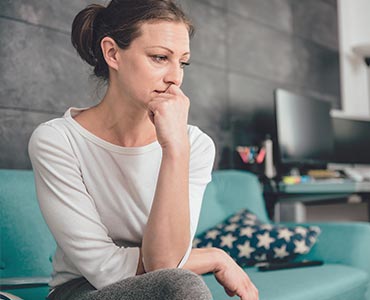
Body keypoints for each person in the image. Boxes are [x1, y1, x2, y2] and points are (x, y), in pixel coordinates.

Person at [28, 0, 259, 299]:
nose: (175, 77)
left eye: (183, 62)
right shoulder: (57, 141)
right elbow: (104, 267)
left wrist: (175, 148)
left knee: (178, 283)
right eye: (160, 57)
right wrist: (213, 256)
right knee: (182, 284)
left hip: (163, 285)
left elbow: (165, 263)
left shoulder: (196, 145)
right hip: (81, 291)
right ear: (112, 53)